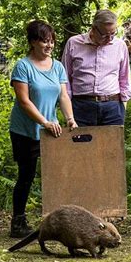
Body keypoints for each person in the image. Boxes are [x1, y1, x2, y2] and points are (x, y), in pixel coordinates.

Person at [9, 20, 78, 237]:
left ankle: (60, 222)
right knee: (26, 176)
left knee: (57, 175)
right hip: (26, 131)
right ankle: (18, 223)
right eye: (44, 41)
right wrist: (44, 122)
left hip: (52, 132)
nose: (49, 46)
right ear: (32, 42)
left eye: (51, 42)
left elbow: (63, 95)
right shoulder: (23, 66)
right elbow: (24, 101)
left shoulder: (57, 66)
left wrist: (69, 119)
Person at [62, 9, 131, 126]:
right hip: (81, 106)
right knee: (81, 143)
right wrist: (68, 106)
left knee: (112, 144)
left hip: (112, 106)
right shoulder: (73, 43)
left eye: (113, 34)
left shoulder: (120, 45)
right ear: (93, 29)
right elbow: (65, 76)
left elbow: (124, 76)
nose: (110, 38)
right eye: (105, 35)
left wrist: (123, 105)